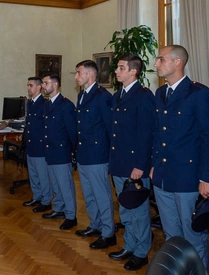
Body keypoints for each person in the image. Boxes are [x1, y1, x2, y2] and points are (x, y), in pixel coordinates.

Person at [149, 45, 209, 268]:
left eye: (160, 59)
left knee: (192, 234)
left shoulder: (199, 93)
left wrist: (206, 177)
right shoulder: (160, 93)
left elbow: (208, 137)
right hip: (163, 175)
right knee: (171, 234)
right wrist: (155, 164)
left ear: (178, 62)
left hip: (188, 175)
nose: (156, 64)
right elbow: (158, 132)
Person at [108, 54, 155, 271]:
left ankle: (142, 251)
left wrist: (140, 165)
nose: (116, 71)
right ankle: (130, 245)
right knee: (126, 209)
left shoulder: (143, 96)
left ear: (133, 71)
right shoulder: (118, 95)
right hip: (119, 161)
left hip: (134, 165)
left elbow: (146, 134)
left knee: (139, 211)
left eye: (121, 67)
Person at [72, 60, 117, 250]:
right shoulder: (82, 95)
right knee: (89, 194)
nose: (76, 77)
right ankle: (95, 224)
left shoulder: (103, 97)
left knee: (101, 194)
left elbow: (109, 128)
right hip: (84, 153)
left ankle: (109, 232)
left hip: (98, 154)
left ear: (90, 74)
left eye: (78, 73)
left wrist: (110, 154)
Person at [40, 74, 78, 230]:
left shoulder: (66, 105)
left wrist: (73, 152)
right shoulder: (47, 104)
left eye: (45, 83)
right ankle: (59, 208)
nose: (43, 86)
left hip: (62, 152)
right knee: (55, 183)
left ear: (55, 84)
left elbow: (72, 131)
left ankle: (71, 216)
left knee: (65, 185)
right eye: (42, 83)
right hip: (50, 150)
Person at [22, 77, 52, 213]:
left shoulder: (44, 103)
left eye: (31, 85)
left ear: (39, 87)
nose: (29, 88)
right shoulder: (30, 103)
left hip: (40, 145)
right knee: (33, 174)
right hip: (31, 144)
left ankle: (46, 200)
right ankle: (37, 196)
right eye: (28, 85)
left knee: (42, 175)